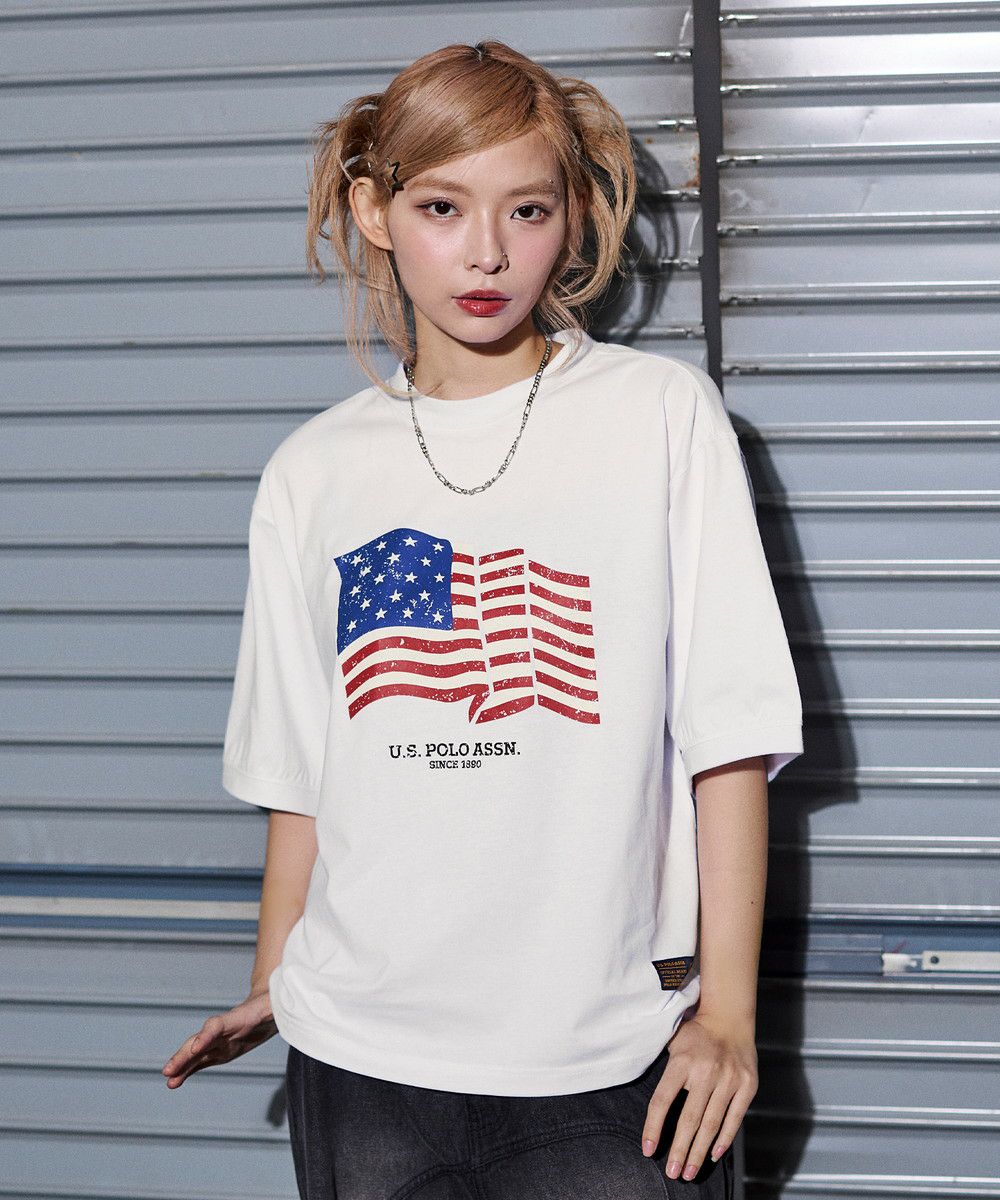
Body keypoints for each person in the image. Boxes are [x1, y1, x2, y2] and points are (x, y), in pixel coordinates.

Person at [161, 39, 804, 1200]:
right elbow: (303, 773)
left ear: (573, 218)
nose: (487, 253)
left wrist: (727, 1016)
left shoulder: (658, 417)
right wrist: (278, 981)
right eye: (442, 207)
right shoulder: (314, 471)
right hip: (360, 1061)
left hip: (608, 1060)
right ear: (375, 211)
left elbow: (730, 735)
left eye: (528, 209)